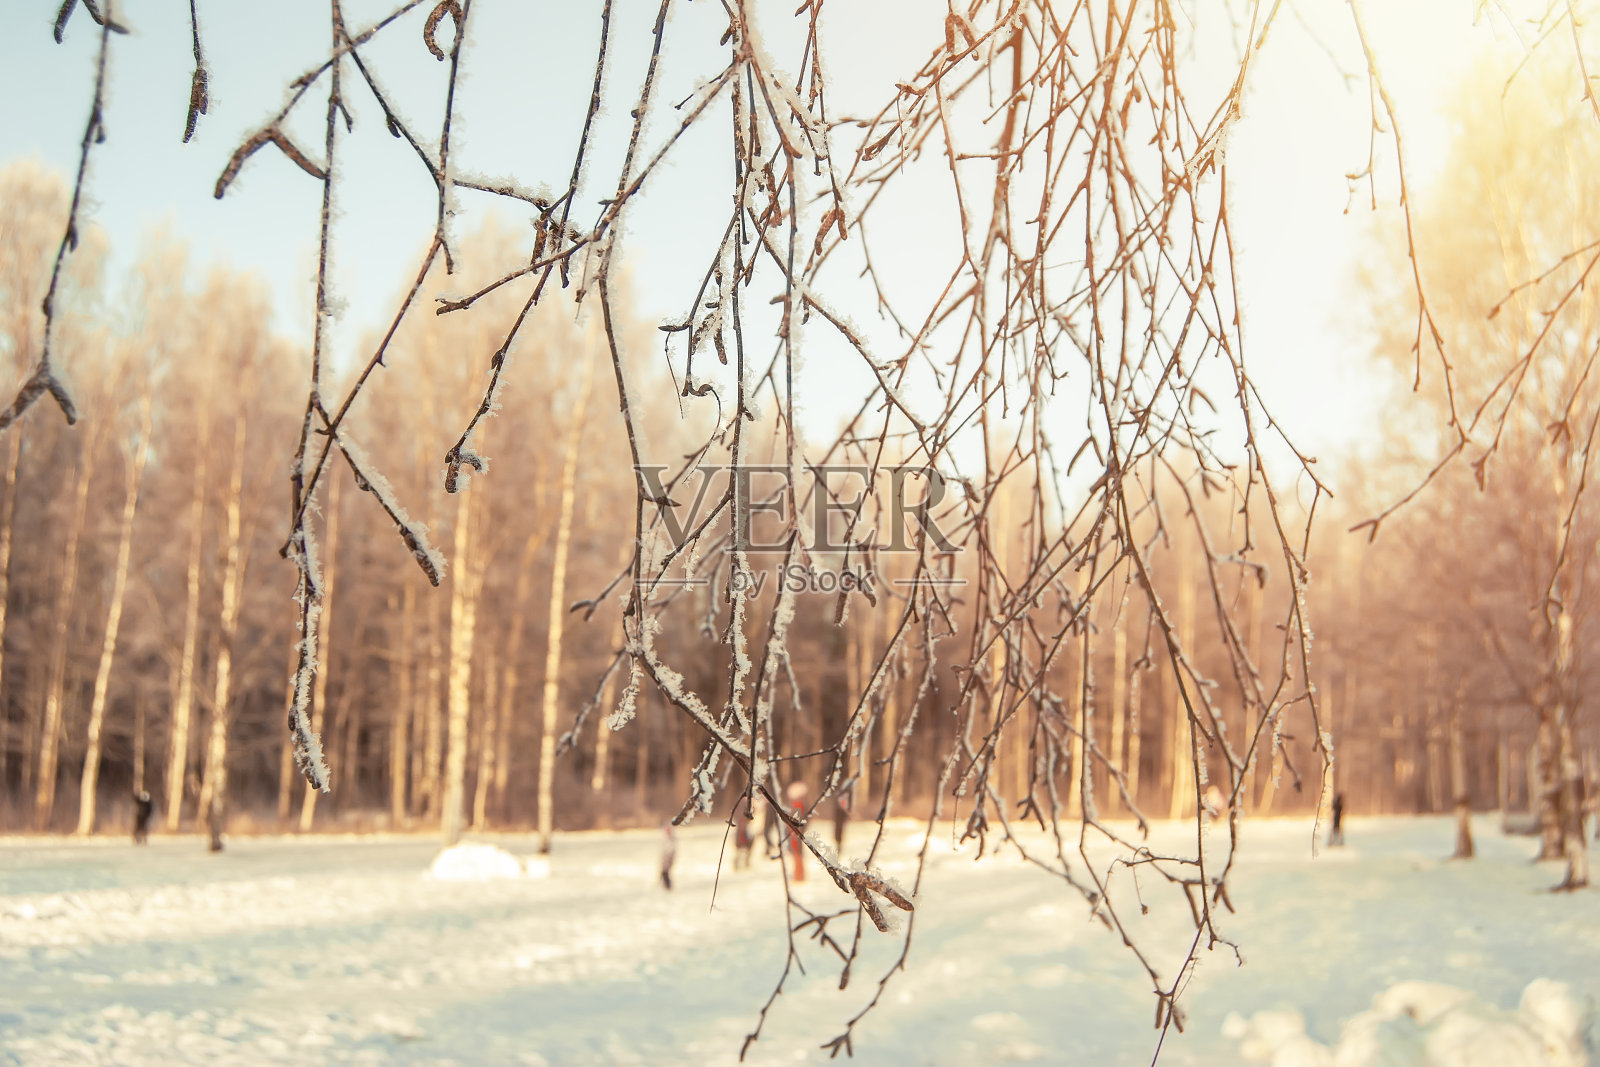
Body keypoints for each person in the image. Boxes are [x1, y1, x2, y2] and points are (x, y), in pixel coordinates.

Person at [784, 780, 809, 882]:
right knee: (795, 853)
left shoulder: (798, 805)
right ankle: (797, 873)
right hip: (793, 832)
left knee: (797, 853)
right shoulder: (797, 805)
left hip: (795, 833)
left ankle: (799, 875)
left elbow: (798, 820)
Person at [734, 799, 755, 870]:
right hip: (742, 830)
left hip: (745, 829)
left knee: (746, 846)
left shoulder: (746, 805)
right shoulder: (743, 806)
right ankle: (737, 863)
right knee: (740, 847)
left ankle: (746, 862)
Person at [659, 822, 677, 890]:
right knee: (665, 872)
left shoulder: (669, 837)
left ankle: (667, 886)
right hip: (666, 856)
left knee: (665, 872)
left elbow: (670, 847)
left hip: (668, 856)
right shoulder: (666, 836)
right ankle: (666, 886)